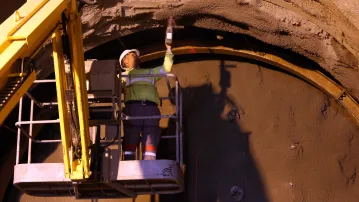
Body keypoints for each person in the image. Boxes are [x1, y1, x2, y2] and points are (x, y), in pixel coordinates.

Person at [119, 44, 174, 160]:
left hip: (150, 109)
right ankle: (129, 165)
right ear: (125, 61)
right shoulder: (123, 76)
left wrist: (168, 49)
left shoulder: (150, 72)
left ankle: (149, 168)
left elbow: (166, 68)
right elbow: (114, 86)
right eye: (133, 55)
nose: (137, 57)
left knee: (151, 142)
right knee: (130, 139)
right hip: (134, 109)